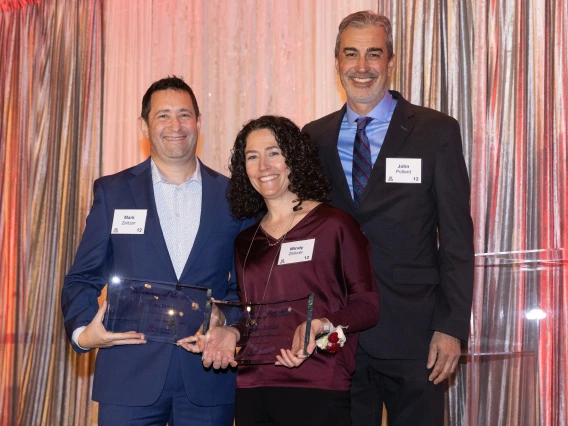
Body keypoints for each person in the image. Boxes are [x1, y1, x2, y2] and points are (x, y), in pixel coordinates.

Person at [302, 11, 475, 426]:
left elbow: (456, 240)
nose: (362, 67)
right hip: (337, 337)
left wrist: (452, 327)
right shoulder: (313, 137)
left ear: (391, 61)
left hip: (416, 337)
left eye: (373, 54)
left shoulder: (436, 131)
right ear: (337, 62)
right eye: (351, 54)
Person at [61, 76, 253, 425]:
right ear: (144, 126)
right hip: (127, 374)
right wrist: (84, 334)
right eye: (163, 115)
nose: (175, 126)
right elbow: (82, 278)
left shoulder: (233, 196)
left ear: (199, 122)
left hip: (208, 375)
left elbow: (248, 285)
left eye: (184, 114)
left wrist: (227, 321)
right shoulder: (113, 192)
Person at [181, 115, 379, 425]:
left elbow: (367, 307)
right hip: (252, 389)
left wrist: (322, 326)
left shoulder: (335, 226)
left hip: (319, 385)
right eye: (252, 156)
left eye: (273, 152)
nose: (263, 166)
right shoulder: (246, 241)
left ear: (293, 157)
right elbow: (254, 320)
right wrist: (230, 332)